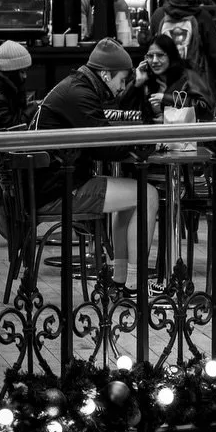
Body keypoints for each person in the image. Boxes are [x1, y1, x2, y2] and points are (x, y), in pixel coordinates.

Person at [32, 38, 159, 294]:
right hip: (59, 190)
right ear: (104, 74)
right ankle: (135, 284)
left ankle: (122, 279)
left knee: (133, 198)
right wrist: (150, 144)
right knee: (148, 195)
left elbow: (102, 137)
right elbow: (104, 145)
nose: (122, 88)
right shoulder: (80, 94)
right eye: (121, 80)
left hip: (54, 183)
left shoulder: (78, 87)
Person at [150, 0, 216, 100]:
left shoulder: (158, 15)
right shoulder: (203, 17)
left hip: (162, 85)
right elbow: (215, 56)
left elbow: (150, 48)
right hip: (195, 86)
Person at [125, 33, 216, 122]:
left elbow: (207, 109)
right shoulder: (145, 78)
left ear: (171, 56)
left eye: (160, 55)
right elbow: (122, 110)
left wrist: (167, 99)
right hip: (151, 134)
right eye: (150, 56)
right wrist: (136, 84)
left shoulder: (187, 76)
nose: (154, 61)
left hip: (182, 134)